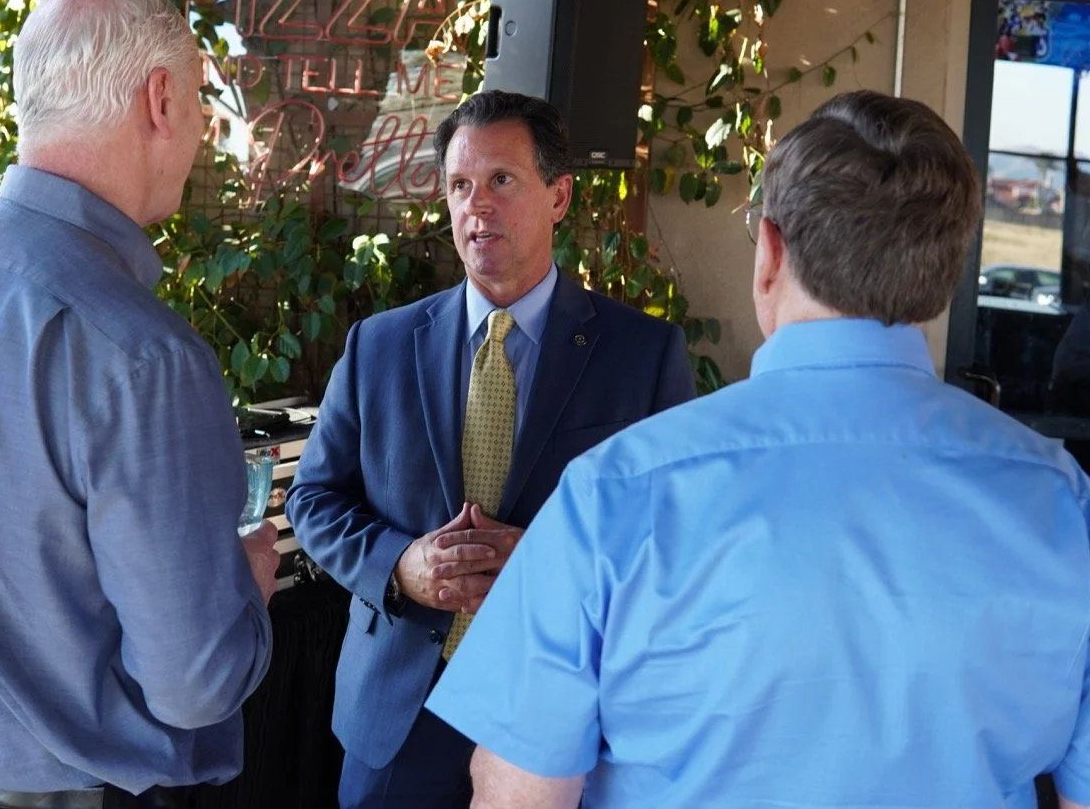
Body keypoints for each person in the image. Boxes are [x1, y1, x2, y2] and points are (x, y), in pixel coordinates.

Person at [427, 90, 1090, 809]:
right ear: (941, 272)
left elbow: (519, 795)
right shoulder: (1061, 498)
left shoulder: (615, 492)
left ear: (769, 252)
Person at [0, 0, 279, 809]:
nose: (203, 130)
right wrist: (247, 592)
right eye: (196, 100)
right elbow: (193, 683)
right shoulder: (143, 356)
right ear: (158, 100)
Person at [285, 89, 696, 808]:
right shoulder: (378, 346)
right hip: (399, 719)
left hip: (559, 718)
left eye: (502, 180)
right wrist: (400, 565)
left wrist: (546, 562)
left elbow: (679, 537)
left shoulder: (642, 354)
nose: (477, 206)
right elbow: (314, 499)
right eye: (460, 185)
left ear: (559, 194)